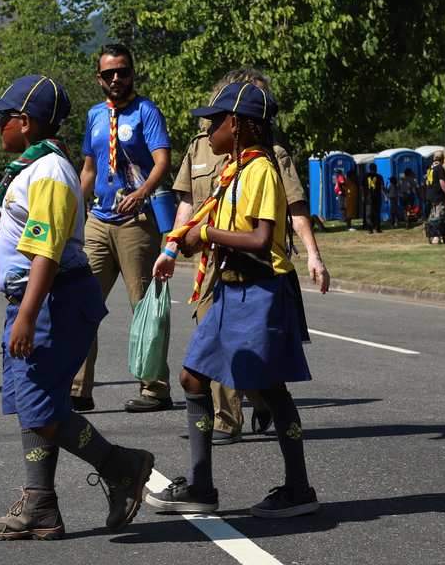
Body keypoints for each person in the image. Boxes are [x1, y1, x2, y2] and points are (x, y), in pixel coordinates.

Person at [0, 75, 155, 540]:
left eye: (3, 117)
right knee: (36, 403)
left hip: (52, 299)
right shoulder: (34, 167)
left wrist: (28, 316)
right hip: (36, 298)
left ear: (25, 123)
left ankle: (121, 465)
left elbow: (47, 252)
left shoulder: (48, 172)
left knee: (42, 409)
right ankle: (41, 506)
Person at [147, 81, 319, 519]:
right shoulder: (234, 171)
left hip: (261, 289)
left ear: (239, 126)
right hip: (230, 289)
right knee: (192, 377)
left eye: (215, 121)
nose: (207, 130)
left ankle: (298, 488)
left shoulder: (261, 170)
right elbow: (222, 228)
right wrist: (187, 242)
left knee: (268, 389)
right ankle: (201, 486)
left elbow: (261, 240)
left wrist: (203, 234)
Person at [169, 67, 331, 444]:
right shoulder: (206, 149)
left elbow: (287, 214)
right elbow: (190, 204)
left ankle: (289, 475)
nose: (210, 130)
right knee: (199, 367)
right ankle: (213, 443)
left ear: (237, 124)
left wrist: (313, 255)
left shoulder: (266, 163)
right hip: (217, 269)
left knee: (264, 376)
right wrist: (175, 245)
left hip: (256, 277)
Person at [71, 44, 173, 414]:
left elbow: (163, 160)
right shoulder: (95, 115)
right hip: (99, 220)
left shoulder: (146, 111)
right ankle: (79, 388)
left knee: (144, 306)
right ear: (98, 78)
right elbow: (89, 170)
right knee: (82, 303)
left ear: (133, 73)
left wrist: (142, 193)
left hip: (136, 222)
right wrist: (73, 210)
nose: (117, 78)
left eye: (123, 71)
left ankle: (155, 388)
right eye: (109, 73)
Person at [424, 152, 445, 243]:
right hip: (438, 195)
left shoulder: (430, 168)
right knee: (439, 216)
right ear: (442, 159)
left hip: (430, 195)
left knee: (432, 216)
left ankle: (431, 235)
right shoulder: (440, 168)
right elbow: (442, 182)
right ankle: (436, 237)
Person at [363, 164, 384, 234]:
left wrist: (363, 196)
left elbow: (362, 187)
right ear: (376, 168)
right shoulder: (379, 176)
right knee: (377, 213)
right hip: (377, 197)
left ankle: (370, 229)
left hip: (368, 197)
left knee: (369, 214)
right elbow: (382, 187)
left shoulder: (365, 176)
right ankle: (377, 228)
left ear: (369, 168)